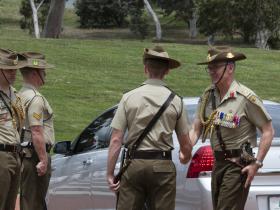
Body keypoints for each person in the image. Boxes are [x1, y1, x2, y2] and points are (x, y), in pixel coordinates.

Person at [107, 46, 193, 210]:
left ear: (145, 69)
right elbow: (186, 142)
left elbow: (116, 139)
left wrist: (110, 173)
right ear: (167, 71)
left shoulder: (128, 97)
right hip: (162, 166)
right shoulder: (175, 101)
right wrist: (185, 156)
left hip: (134, 164)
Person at [190, 46, 274, 210]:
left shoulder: (245, 97)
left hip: (239, 163)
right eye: (209, 68)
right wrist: (186, 148)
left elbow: (268, 131)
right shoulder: (208, 96)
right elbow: (196, 129)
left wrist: (257, 163)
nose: (211, 72)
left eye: (216, 67)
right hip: (219, 163)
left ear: (230, 68)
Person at [18, 52, 55, 210]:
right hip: (34, 155)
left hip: (25, 153)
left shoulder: (21, 95)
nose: (45, 74)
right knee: (34, 203)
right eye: (43, 71)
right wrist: (43, 159)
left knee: (29, 200)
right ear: (35, 73)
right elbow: (37, 131)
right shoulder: (35, 98)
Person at [0, 48, 26, 210]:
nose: (13, 74)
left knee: (9, 203)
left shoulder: (15, 95)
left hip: (16, 154)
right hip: (1, 155)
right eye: (9, 70)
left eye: (15, 70)